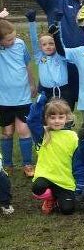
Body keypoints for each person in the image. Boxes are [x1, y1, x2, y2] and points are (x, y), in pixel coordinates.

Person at [26, 94, 78, 215]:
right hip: (46, 176)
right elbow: (31, 121)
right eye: (52, 117)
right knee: (37, 187)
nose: (57, 121)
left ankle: (56, 199)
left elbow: (78, 161)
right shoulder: (43, 133)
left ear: (67, 118)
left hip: (65, 180)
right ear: (46, 118)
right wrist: (38, 104)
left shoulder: (73, 137)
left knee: (68, 210)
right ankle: (48, 198)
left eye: (61, 117)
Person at [0, 18, 36, 177]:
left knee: (24, 130)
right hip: (3, 99)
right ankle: (7, 164)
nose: (13, 40)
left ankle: (28, 164)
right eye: (9, 39)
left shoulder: (20, 44)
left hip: (23, 97)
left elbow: (28, 64)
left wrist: (32, 83)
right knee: (7, 132)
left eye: (14, 37)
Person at [26, 9, 71, 102]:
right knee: (47, 116)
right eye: (44, 44)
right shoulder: (40, 57)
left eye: (51, 43)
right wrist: (31, 21)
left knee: (64, 116)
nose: (48, 46)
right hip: (47, 93)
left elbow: (60, 38)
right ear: (40, 47)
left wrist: (58, 22)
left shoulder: (61, 56)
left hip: (63, 92)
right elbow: (34, 41)